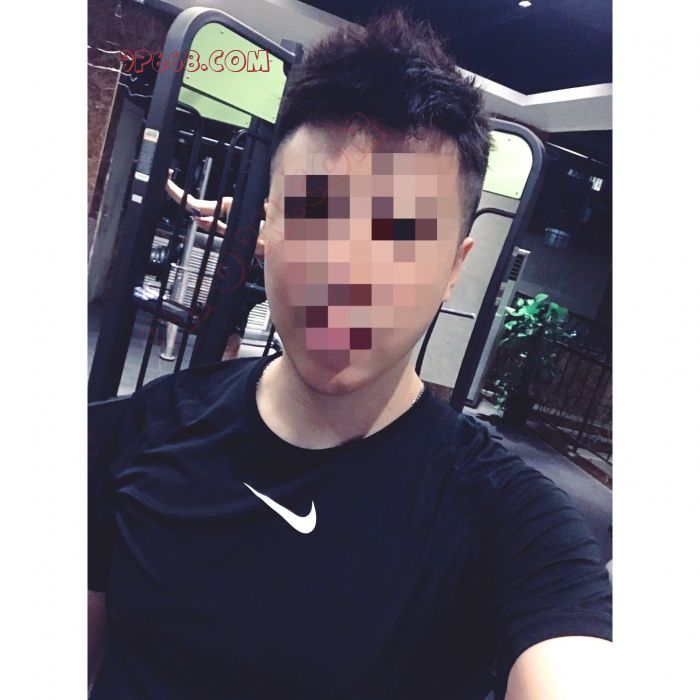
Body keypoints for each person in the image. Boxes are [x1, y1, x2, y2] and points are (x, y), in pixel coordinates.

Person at [89, 10, 612, 699]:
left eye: (401, 235)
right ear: (268, 228)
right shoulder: (127, 437)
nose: (346, 276)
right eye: (316, 218)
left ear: (454, 268)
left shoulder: (511, 523)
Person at [163, 170, 266, 359]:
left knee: (226, 330)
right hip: (240, 278)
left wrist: (220, 228)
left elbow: (263, 248)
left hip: (261, 283)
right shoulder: (233, 204)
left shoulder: (278, 219)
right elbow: (193, 204)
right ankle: (218, 364)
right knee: (230, 336)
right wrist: (166, 182)